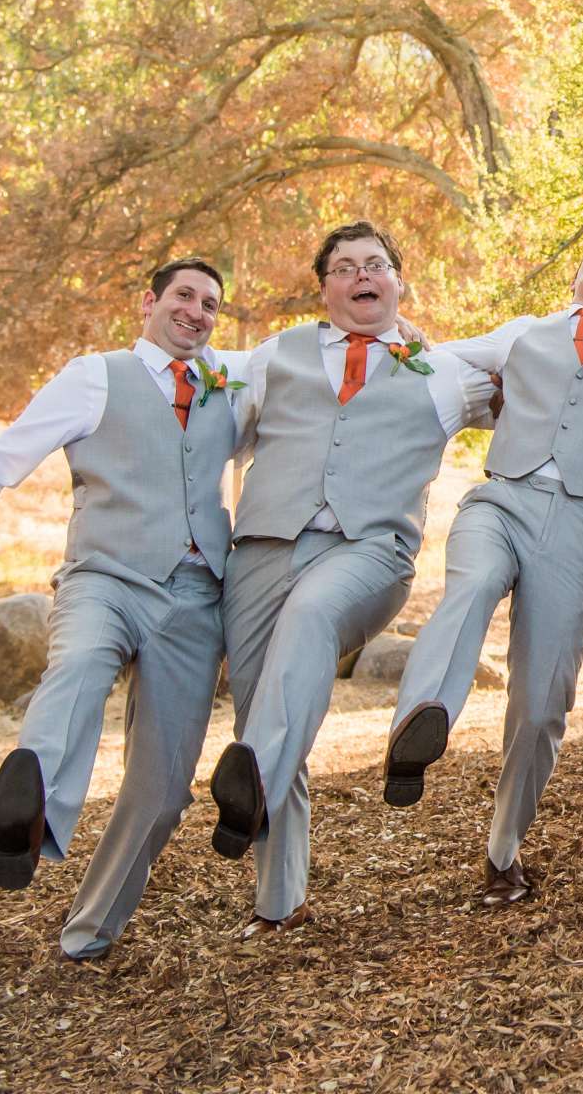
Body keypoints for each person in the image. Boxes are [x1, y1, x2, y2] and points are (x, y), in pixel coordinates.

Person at [0, 259, 242, 960]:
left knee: (166, 788)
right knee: (77, 664)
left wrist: (403, 330)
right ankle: (25, 813)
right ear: (149, 301)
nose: (196, 311)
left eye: (210, 303)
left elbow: (331, 369)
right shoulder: (93, 376)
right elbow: (3, 457)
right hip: (105, 577)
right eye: (183, 295)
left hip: (196, 596)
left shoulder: (231, 379)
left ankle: (90, 932)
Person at [208, 221, 492, 937]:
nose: (361, 275)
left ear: (398, 281)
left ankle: (256, 785)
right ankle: (279, 903)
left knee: (309, 622)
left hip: (369, 551)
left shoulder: (446, 371)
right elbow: (214, 431)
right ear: (326, 287)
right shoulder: (276, 356)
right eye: (343, 267)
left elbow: (547, 402)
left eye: (375, 264)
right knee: (269, 712)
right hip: (263, 550)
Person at [376, 240, 583, 903]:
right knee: (469, 586)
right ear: (578, 275)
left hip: (579, 523)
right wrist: (402, 336)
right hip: (500, 497)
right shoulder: (524, 333)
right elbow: (437, 361)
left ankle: (503, 850)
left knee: (540, 703)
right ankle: (418, 725)